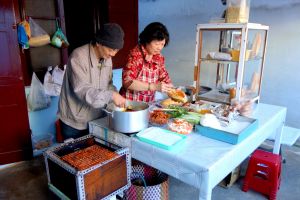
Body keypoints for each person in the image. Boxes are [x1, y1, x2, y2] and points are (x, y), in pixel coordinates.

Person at [58, 23, 126, 140]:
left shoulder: (107, 59)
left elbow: (108, 84)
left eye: (116, 50)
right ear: (98, 43)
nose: (113, 54)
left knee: (95, 155)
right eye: (110, 49)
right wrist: (111, 95)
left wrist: (116, 99)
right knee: (74, 157)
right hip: (75, 121)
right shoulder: (78, 56)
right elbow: (82, 90)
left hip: (96, 118)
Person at [120, 22, 174, 103]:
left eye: (162, 44)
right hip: (130, 104)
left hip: (148, 104)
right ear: (147, 40)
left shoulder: (159, 57)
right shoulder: (135, 55)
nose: (159, 48)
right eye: (156, 44)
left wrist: (174, 92)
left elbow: (164, 77)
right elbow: (127, 82)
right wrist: (153, 87)